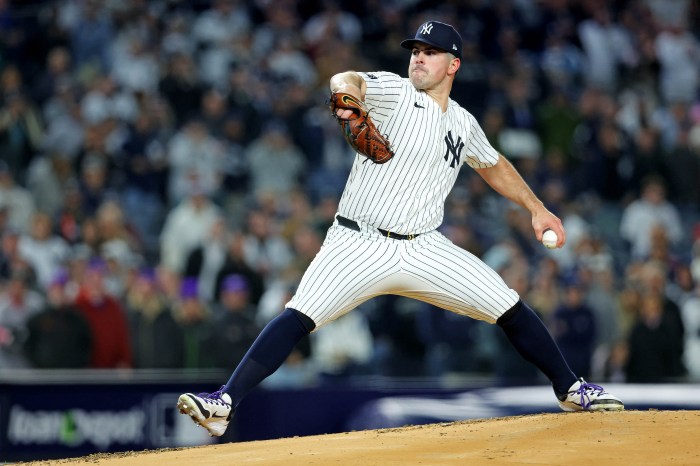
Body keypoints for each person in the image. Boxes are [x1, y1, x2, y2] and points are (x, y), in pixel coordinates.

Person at [177, 20, 623, 438]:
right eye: (416, 50)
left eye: (431, 52)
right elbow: (345, 80)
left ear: (454, 65)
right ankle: (224, 403)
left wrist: (536, 208)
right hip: (358, 241)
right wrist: (348, 107)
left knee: (508, 305)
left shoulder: (463, 122)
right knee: (299, 315)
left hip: (424, 248)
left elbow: (493, 164)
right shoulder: (395, 92)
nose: (418, 58)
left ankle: (570, 388)